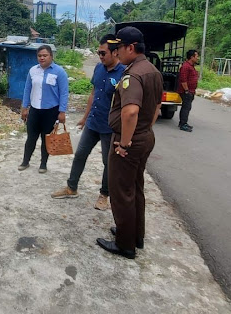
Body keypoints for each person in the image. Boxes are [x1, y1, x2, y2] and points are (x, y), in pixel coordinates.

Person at [96, 27, 163, 259]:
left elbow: (130, 112)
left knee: (122, 191)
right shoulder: (152, 70)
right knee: (135, 188)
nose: (116, 51)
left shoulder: (132, 74)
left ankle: (125, 244)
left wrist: (124, 144)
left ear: (130, 48)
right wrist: (145, 131)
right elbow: (156, 108)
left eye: (119, 47)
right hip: (145, 136)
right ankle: (135, 234)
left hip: (129, 141)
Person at [51, 35, 125, 210]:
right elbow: (93, 93)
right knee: (80, 155)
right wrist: (84, 118)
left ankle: (104, 195)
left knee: (108, 163)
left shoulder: (124, 73)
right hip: (93, 122)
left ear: (115, 52)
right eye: (98, 52)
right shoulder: (99, 68)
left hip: (110, 127)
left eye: (103, 53)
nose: (100, 56)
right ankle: (71, 188)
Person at [20, 45, 69, 173]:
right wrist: (24, 108)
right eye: (39, 56)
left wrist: (62, 112)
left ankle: (43, 164)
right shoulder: (33, 71)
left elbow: (64, 93)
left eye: (45, 55)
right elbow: (27, 90)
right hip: (35, 110)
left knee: (46, 138)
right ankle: (25, 162)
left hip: (51, 111)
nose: (42, 58)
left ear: (51, 56)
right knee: (31, 138)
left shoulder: (59, 72)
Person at [177, 49, 199, 132]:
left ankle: (183, 123)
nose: (197, 58)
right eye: (196, 56)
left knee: (187, 107)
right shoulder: (186, 67)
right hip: (186, 91)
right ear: (191, 57)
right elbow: (183, 79)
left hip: (190, 91)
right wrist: (187, 91)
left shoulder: (191, 66)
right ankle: (183, 124)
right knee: (186, 107)